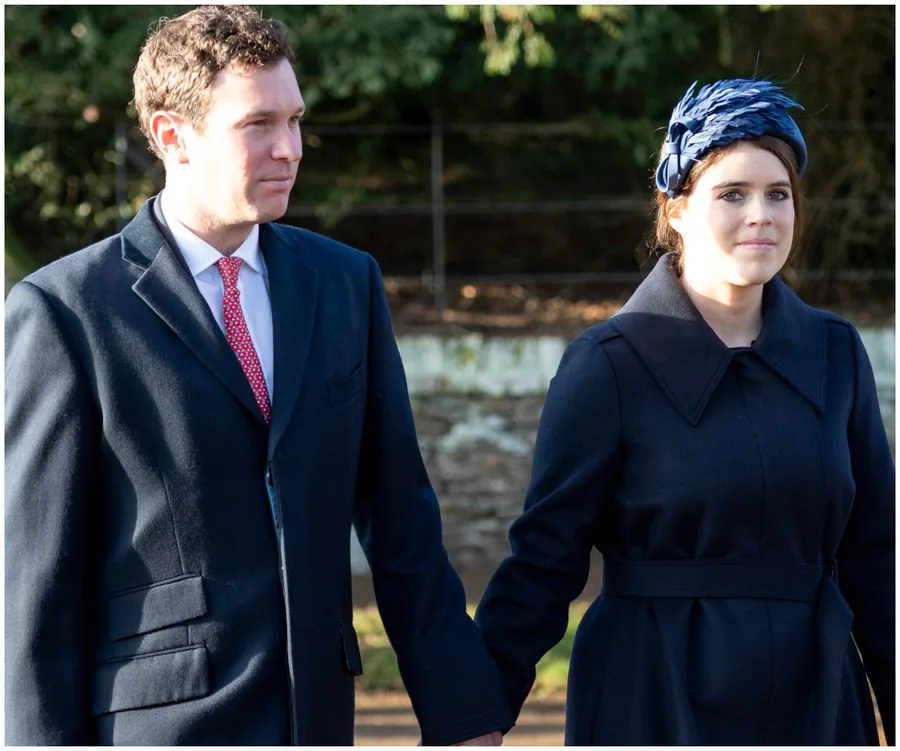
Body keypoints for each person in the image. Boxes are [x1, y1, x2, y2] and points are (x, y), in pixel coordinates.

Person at [5, 6, 512, 745]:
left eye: (296, 120)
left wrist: (464, 713)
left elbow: (401, 517)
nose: (291, 148)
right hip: (160, 726)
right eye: (258, 125)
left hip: (318, 719)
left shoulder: (345, 283)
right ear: (172, 137)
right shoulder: (65, 311)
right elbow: (34, 592)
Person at [475, 78, 895, 745]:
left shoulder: (834, 351)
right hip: (653, 692)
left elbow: (878, 557)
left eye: (778, 194)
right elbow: (545, 559)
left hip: (814, 698)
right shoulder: (607, 363)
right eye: (733, 193)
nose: (762, 214)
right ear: (675, 210)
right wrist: (475, 713)